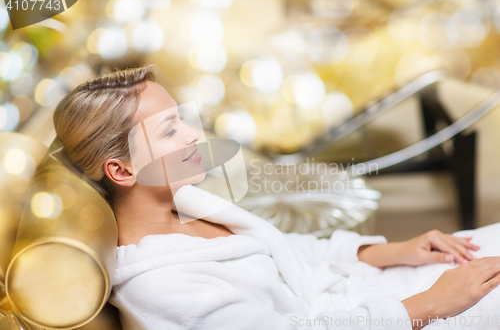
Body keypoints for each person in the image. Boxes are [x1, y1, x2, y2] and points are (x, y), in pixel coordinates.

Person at [52, 64, 500, 330]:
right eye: (170, 130)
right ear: (122, 169)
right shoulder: (162, 288)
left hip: (370, 294)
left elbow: (290, 253)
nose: (195, 135)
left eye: (182, 119)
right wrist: (431, 304)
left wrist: (392, 251)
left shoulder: (188, 205)